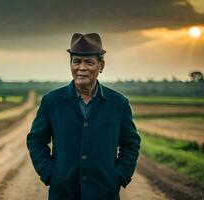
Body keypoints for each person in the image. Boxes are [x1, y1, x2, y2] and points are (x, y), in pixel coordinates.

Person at [26, 33, 141, 200]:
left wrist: (119, 176)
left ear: (101, 66)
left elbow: (131, 144)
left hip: (104, 193)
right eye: (77, 61)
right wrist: (50, 174)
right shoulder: (52, 102)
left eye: (89, 62)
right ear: (70, 64)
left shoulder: (118, 103)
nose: (82, 67)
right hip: (63, 193)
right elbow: (36, 140)